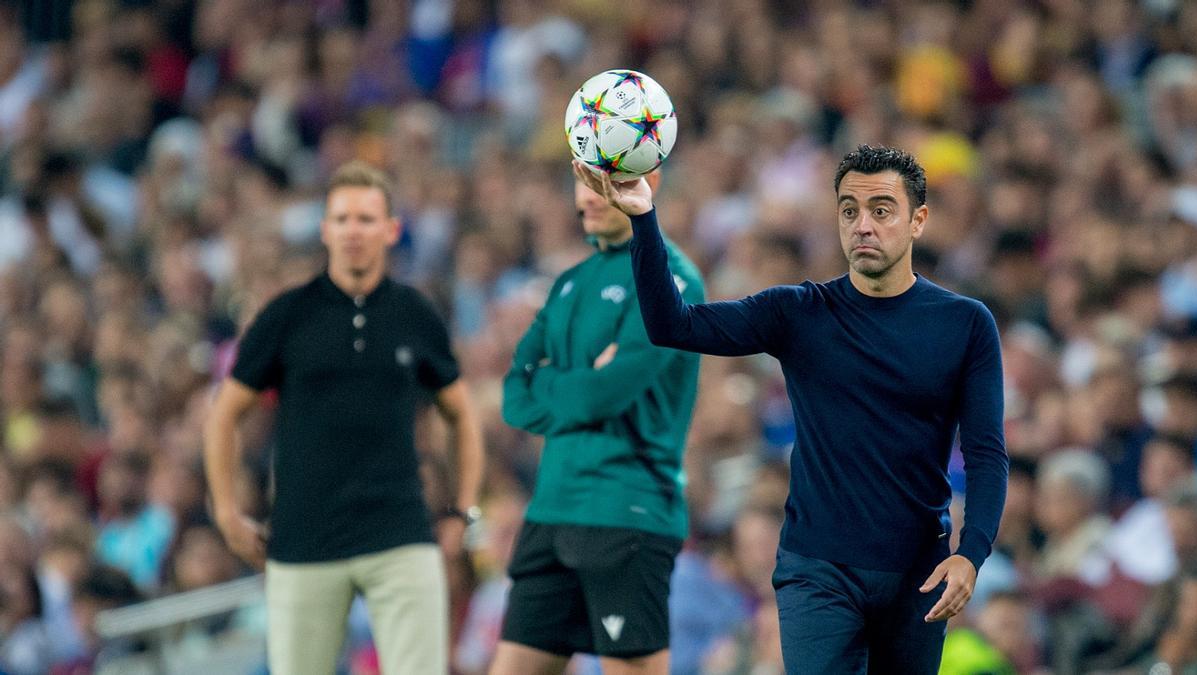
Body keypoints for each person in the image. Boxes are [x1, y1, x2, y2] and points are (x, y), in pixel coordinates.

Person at [575, 144, 1009, 674]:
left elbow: (986, 453)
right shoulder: (799, 311)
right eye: (849, 210)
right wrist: (643, 219)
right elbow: (673, 325)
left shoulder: (964, 323)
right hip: (817, 568)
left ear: (918, 220)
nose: (863, 225)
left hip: (917, 573)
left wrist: (972, 551)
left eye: (881, 210)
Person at [203, 160, 485, 675]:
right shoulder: (287, 315)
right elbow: (224, 414)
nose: (354, 230)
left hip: (400, 533)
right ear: (324, 229)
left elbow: (462, 416)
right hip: (303, 539)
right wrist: (226, 512)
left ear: (392, 229)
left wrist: (462, 511)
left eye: (366, 218)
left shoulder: (415, 314)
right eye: (343, 218)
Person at [489, 170, 705, 675]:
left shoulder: (673, 278)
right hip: (550, 509)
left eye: (603, 183)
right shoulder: (570, 281)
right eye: (580, 180)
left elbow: (604, 396)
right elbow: (513, 396)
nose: (587, 196)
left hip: (626, 510)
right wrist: (581, 382)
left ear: (645, 181)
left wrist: (556, 382)